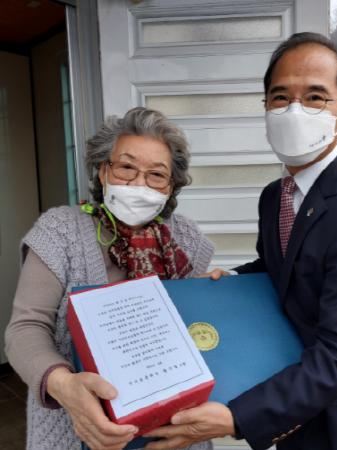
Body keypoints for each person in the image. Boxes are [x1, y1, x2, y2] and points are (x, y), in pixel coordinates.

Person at [141, 33, 337, 450]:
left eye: (315, 97)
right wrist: (232, 281)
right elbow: (279, 268)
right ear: (266, 106)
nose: (294, 111)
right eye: (281, 97)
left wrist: (237, 417)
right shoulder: (276, 196)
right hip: (294, 397)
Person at [5, 107, 214, 450]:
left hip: (173, 431)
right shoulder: (60, 231)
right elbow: (25, 329)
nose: (139, 183)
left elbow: (195, 329)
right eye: (126, 167)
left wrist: (213, 297)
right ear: (103, 171)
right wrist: (62, 385)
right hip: (75, 430)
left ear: (171, 186)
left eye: (156, 174)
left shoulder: (186, 239)